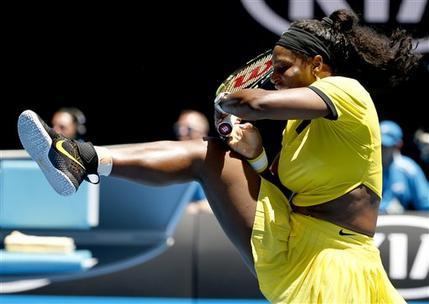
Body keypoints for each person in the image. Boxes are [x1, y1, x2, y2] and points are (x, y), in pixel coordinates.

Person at [17, 9, 421, 303]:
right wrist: (258, 157)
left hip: (337, 263)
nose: (275, 78)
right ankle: (82, 159)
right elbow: (285, 185)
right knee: (207, 158)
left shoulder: (348, 92)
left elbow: (255, 104)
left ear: (318, 65)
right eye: (273, 70)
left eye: (283, 69)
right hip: (289, 240)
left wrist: (230, 99)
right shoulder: (299, 128)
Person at [379, 120, 429, 214]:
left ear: (398, 145)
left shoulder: (409, 169)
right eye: (379, 145)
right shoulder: (365, 168)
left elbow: (426, 204)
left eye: (385, 146)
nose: (381, 150)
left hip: (399, 226)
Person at [173, 109, 212, 213]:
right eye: (179, 128)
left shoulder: (215, 165)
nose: (182, 133)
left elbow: (226, 205)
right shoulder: (173, 165)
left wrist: (197, 207)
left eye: (188, 129)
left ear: (202, 133)